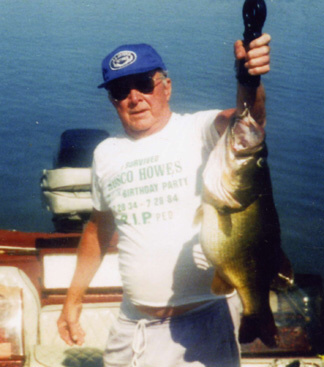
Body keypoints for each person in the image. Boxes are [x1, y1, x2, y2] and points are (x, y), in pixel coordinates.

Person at [57, 34, 271, 367]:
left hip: (204, 325)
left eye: (144, 84)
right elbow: (97, 230)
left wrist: (249, 79)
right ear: (113, 101)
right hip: (132, 328)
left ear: (166, 87)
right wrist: (72, 300)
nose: (134, 98)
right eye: (120, 91)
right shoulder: (105, 154)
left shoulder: (199, 131)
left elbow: (249, 121)